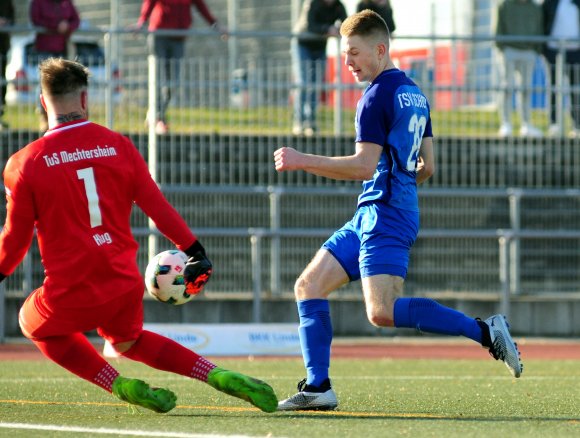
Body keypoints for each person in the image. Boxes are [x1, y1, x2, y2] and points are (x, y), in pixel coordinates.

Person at [274, 10, 523, 412]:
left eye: (354, 52)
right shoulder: (415, 93)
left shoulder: (375, 96)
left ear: (380, 49)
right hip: (381, 210)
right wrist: (399, 188)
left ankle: (484, 331)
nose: (348, 62)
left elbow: (362, 166)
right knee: (309, 286)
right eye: (344, 53)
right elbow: (429, 166)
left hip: (384, 212)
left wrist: (302, 159)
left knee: (382, 312)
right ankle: (318, 387)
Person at [0, 57, 278, 414]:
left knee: (30, 321)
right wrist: (194, 251)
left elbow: (15, 239)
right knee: (129, 340)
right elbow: (157, 207)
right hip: (122, 281)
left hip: (70, 287)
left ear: (43, 102)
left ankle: (118, 383)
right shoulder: (118, 145)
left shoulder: (25, 163)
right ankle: (217, 375)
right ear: (85, 100)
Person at [132, 0, 228, 135]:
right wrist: (141, 22)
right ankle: (158, 117)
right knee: (159, 78)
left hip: (178, 38)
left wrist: (216, 26)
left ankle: (156, 113)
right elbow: (149, 3)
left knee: (172, 82)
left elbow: (201, 7)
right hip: (159, 35)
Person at [291, 0, 347, 136]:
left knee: (316, 84)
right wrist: (327, 29)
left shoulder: (338, 6)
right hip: (303, 44)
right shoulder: (312, 3)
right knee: (304, 83)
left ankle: (311, 123)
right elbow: (310, 26)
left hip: (320, 47)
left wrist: (340, 29)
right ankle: (299, 122)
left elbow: (347, 24)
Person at [495, 0, 543, 138]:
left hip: (529, 52)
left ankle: (526, 125)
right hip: (509, 50)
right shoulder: (504, 5)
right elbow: (498, 28)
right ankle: (506, 124)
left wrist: (536, 50)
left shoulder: (535, 8)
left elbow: (539, 29)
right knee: (507, 88)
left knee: (526, 89)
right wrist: (502, 48)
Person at [30, 0, 80, 132]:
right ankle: (45, 119)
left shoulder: (66, 2)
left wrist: (67, 26)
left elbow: (76, 20)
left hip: (61, 50)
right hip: (44, 49)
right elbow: (36, 20)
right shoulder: (38, 2)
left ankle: (61, 119)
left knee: (61, 85)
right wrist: (55, 26)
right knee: (45, 86)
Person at [543, 0, 580, 137]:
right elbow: (544, 22)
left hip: (575, 52)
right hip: (554, 51)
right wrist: (544, 50)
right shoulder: (550, 3)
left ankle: (577, 125)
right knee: (553, 88)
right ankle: (555, 124)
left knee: (576, 90)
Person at [0, 0, 14, 131]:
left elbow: (12, 17)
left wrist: (6, 22)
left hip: (2, 47)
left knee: (2, 83)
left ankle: (0, 115)